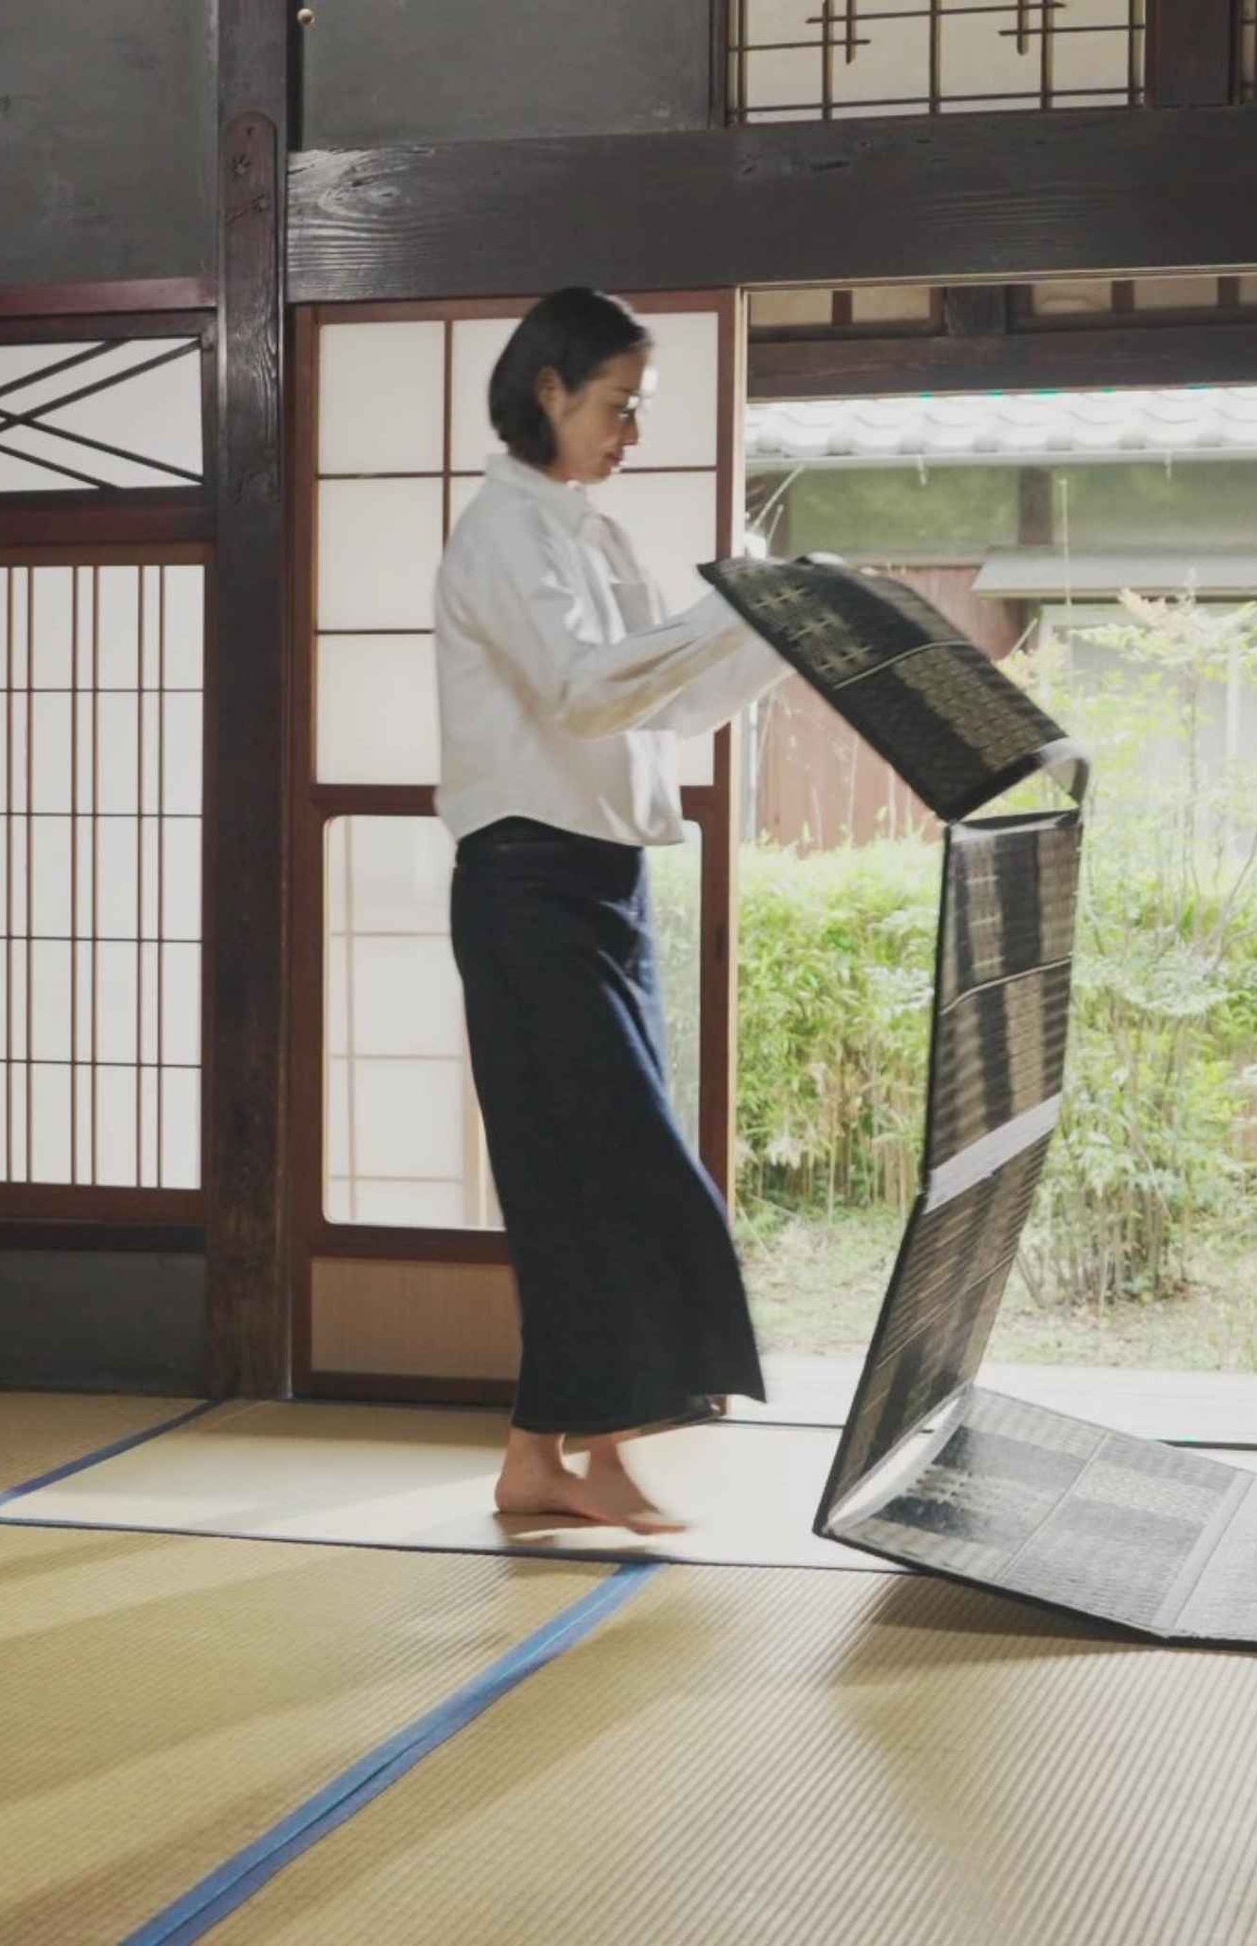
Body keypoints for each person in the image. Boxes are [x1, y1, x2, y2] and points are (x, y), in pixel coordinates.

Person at [435, 288, 788, 1533]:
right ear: (549, 391)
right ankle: (603, 1449)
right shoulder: (498, 535)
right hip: (525, 882)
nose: (630, 430)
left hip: (605, 882)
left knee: (577, 1178)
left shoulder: (593, 536)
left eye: (639, 409)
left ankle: (545, 1460)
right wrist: (724, 615)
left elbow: (670, 706)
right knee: (615, 1170)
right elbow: (587, 695)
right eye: (617, 405)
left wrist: (771, 630)